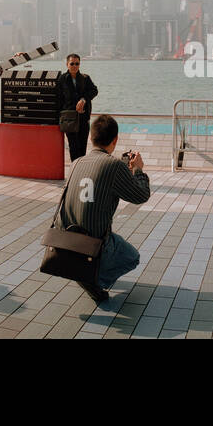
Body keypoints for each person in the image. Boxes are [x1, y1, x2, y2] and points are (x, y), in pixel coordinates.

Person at [57, 114, 150, 302]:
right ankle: (92, 278)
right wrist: (138, 170)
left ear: (91, 138)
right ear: (115, 140)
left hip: (63, 238)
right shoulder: (115, 166)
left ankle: (84, 271)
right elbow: (141, 196)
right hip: (94, 244)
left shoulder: (76, 163)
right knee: (132, 257)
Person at [56, 53, 99, 161]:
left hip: (83, 118)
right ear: (67, 64)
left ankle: (80, 169)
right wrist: (59, 118)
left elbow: (94, 91)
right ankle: (74, 169)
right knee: (73, 146)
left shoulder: (85, 78)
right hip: (69, 118)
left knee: (82, 146)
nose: (74, 66)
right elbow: (58, 99)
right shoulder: (62, 79)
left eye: (77, 63)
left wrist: (83, 99)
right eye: (72, 63)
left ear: (79, 64)